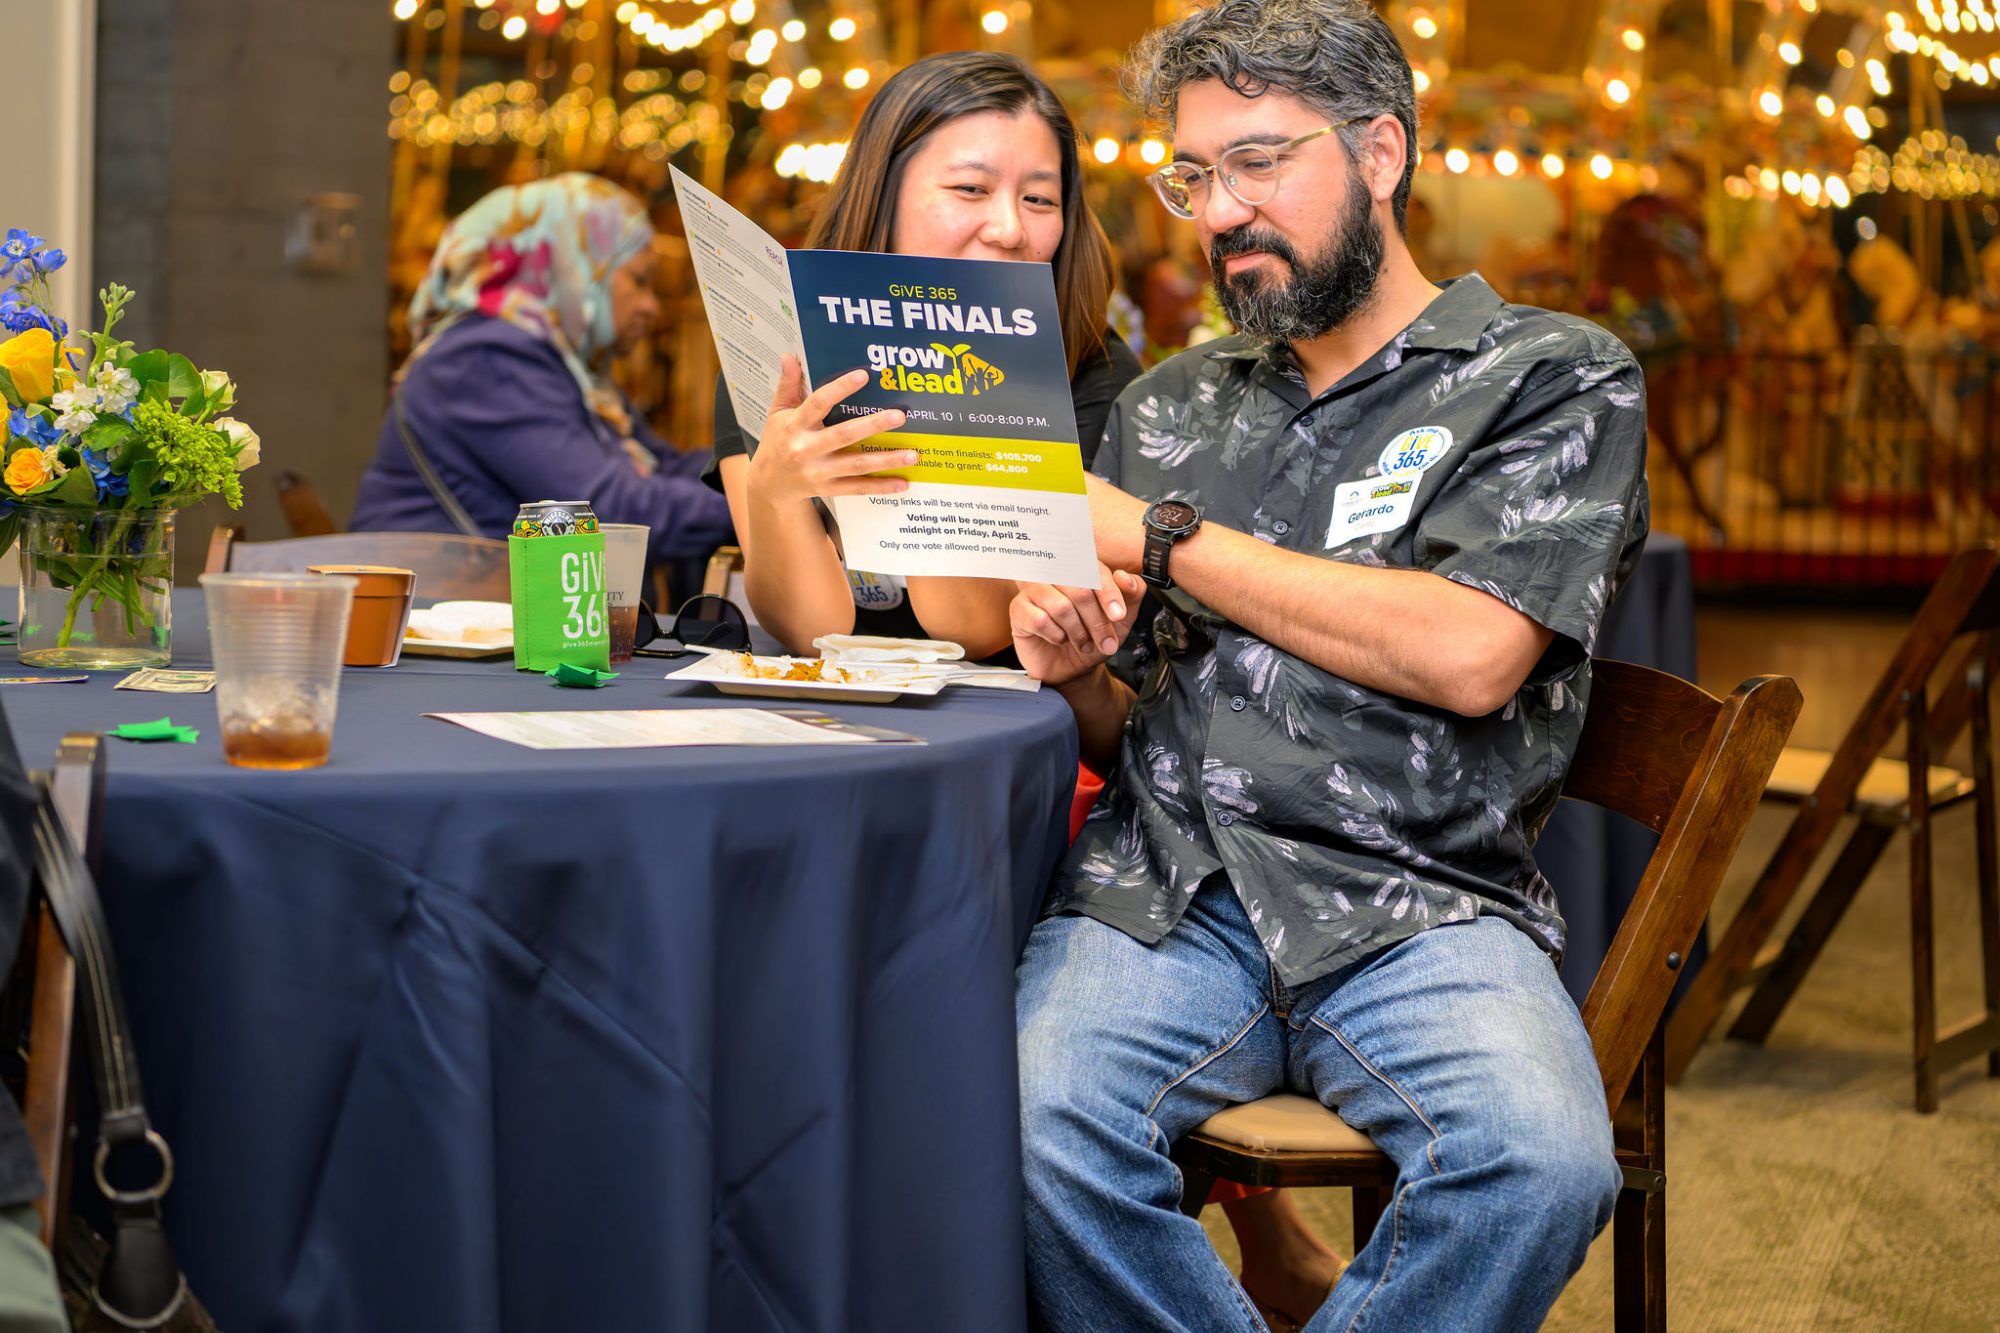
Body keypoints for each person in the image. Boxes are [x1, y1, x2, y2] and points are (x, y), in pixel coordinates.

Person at [1008, 2, 1650, 1329]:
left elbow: (1473, 654)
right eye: (1193, 174)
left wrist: (1165, 541)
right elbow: (1123, 716)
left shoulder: (1550, 378)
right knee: (1024, 1129)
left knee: (1538, 1166)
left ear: (1380, 153)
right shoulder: (1168, 405)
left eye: (1262, 161)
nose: (1220, 210)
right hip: (1167, 894)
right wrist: (1072, 667)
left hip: (1425, 901)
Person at [704, 51, 1142, 657]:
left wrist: (943, 404)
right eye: (970, 189)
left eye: (1039, 200)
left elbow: (978, 630)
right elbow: (809, 632)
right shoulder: (782, 357)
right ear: (884, 192)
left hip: (1009, 715)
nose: (1009, 229)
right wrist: (774, 492)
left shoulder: (1091, 365)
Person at [353, 173, 731, 567]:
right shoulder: (486, 359)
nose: (651, 306)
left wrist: (753, 467)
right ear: (574, 267)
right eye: (639, 280)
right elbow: (606, 515)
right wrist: (763, 499)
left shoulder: (564, 365)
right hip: (434, 616)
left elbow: (661, 465)